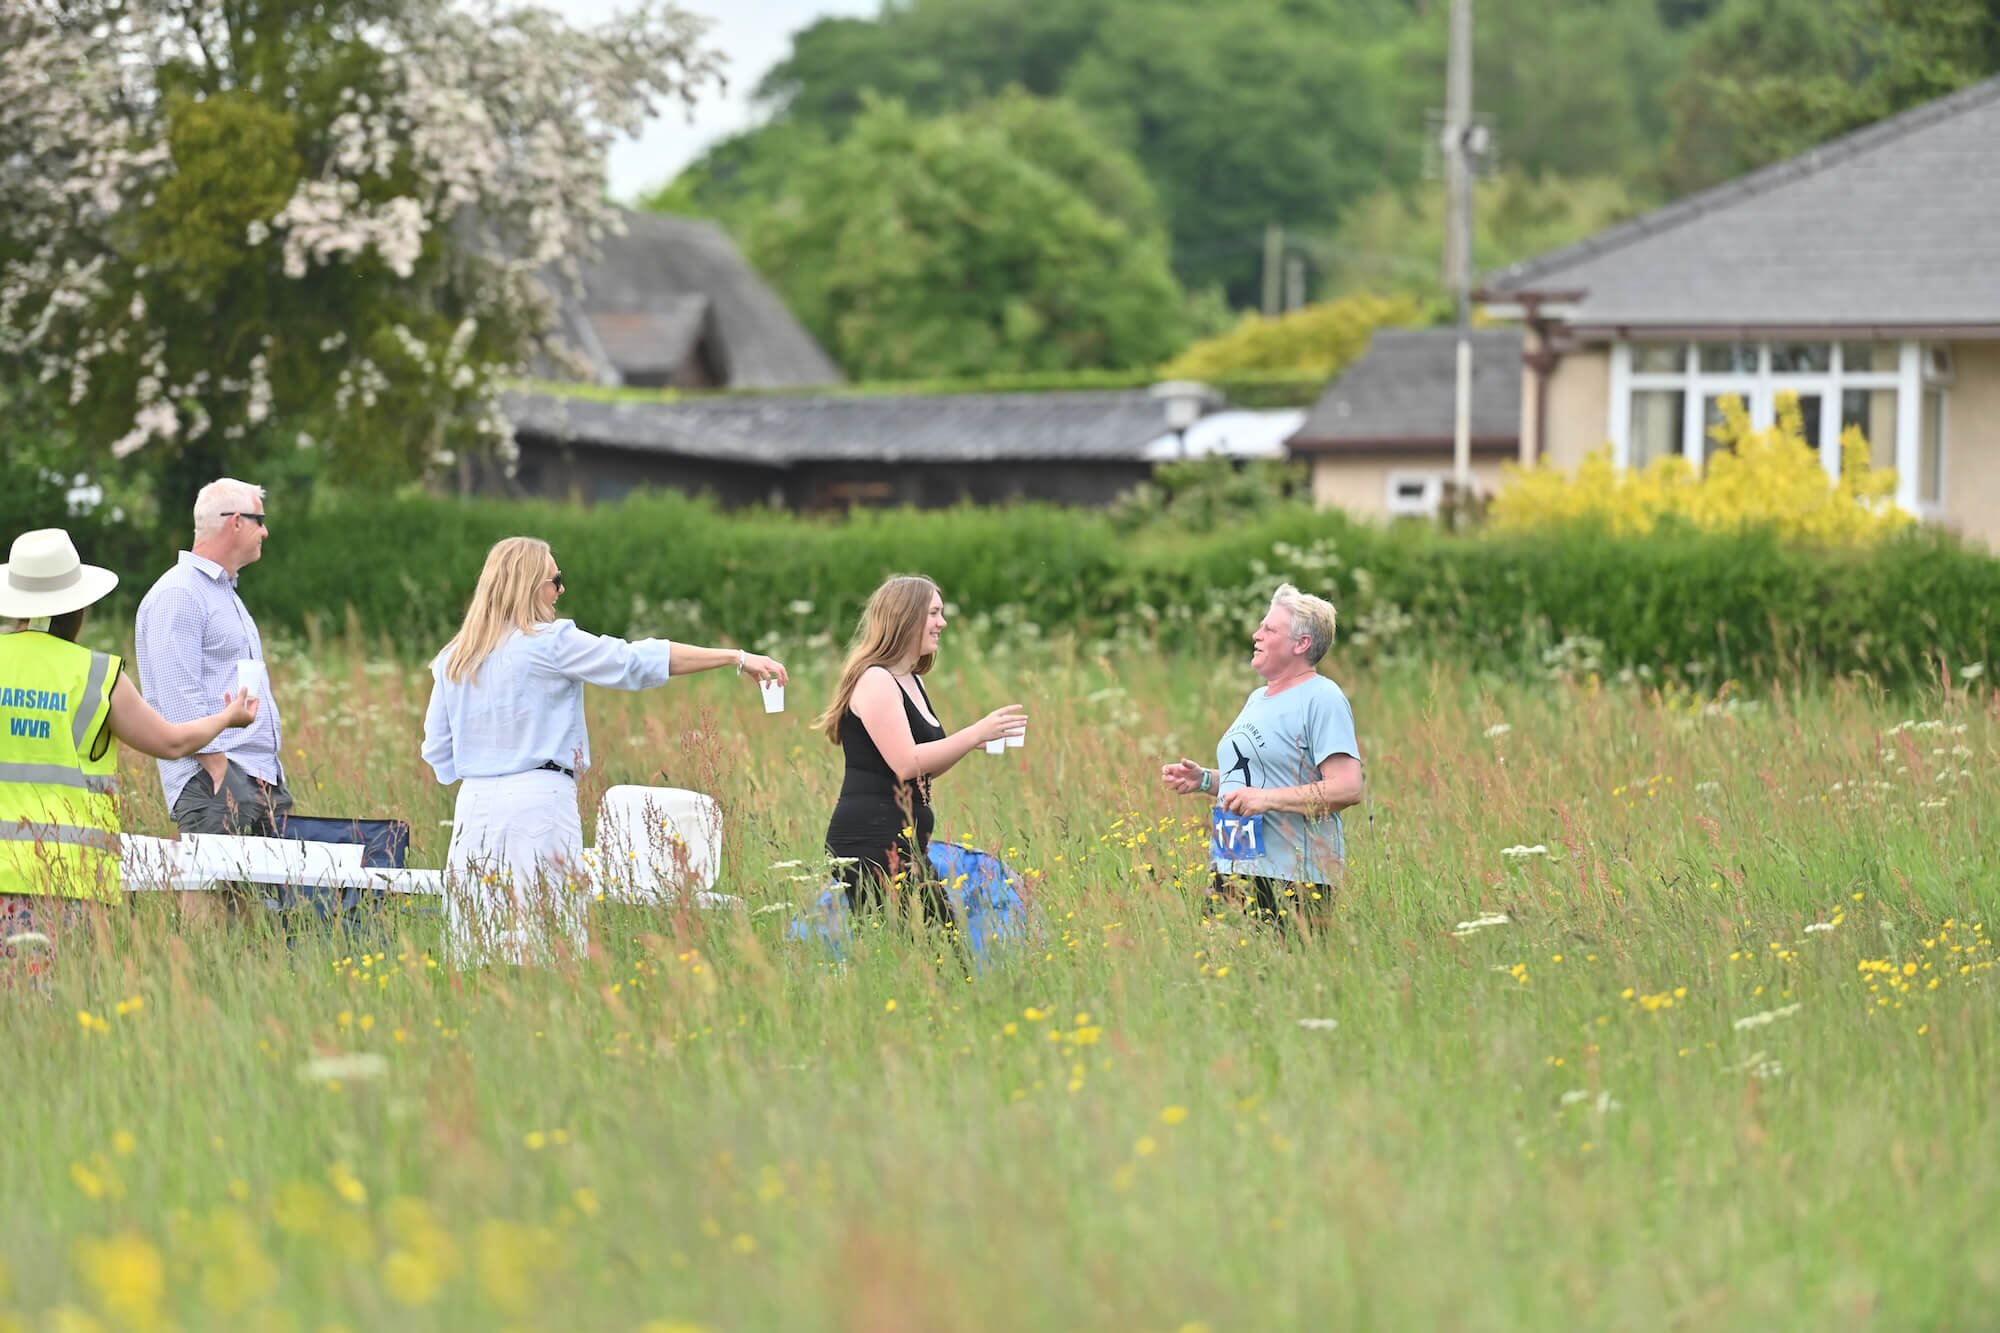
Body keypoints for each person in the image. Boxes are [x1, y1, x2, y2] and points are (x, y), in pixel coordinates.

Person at [421, 536, 787, 966]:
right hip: (539, 801)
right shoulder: (549, 642)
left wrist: (486, 770)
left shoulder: (454, 657)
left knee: (475, 942)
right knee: (548, 943)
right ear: (527, 585)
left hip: (474, 807)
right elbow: (635, 662)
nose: (561, 590)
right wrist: (735, 657)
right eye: (555, 580)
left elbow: (438, 752)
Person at [0, 529, 258, 978]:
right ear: (77, 605)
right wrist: (228, 718)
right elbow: (172, 742)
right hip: (68, 881)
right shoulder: (96, 674)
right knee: (57, 1013)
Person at [813, 575, 1025, 926]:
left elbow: (922, 765)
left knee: (940, 951)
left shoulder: (911, 680)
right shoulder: (876, 680)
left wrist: (970, 743)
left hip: (903, 840)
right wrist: (972, 734)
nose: (942, 623)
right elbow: (904, 763)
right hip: (870, 840)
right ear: (905, 617)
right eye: (934, 613)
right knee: (933, 952)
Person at [1159, 583, 1363, 928]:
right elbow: (1259, 782)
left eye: (1269, 629)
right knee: (1218, 977)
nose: (1256, 635)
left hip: (1292, 877)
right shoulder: (1257, 698)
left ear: (1302, 644)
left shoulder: (1323, 697)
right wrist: (1206, 780)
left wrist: (1267, 800)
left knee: (1277, 978)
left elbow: (1347, 788)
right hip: (1232, 865)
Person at [134, 477, 291, 837]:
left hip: (260, 775)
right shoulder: (180, 593)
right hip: (216, 776)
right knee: (207, 891)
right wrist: (220, 768)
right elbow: (176, 696)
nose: (265, 532)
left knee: (262, 895)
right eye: (259, 520)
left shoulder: (223, 592)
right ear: (236, 521)